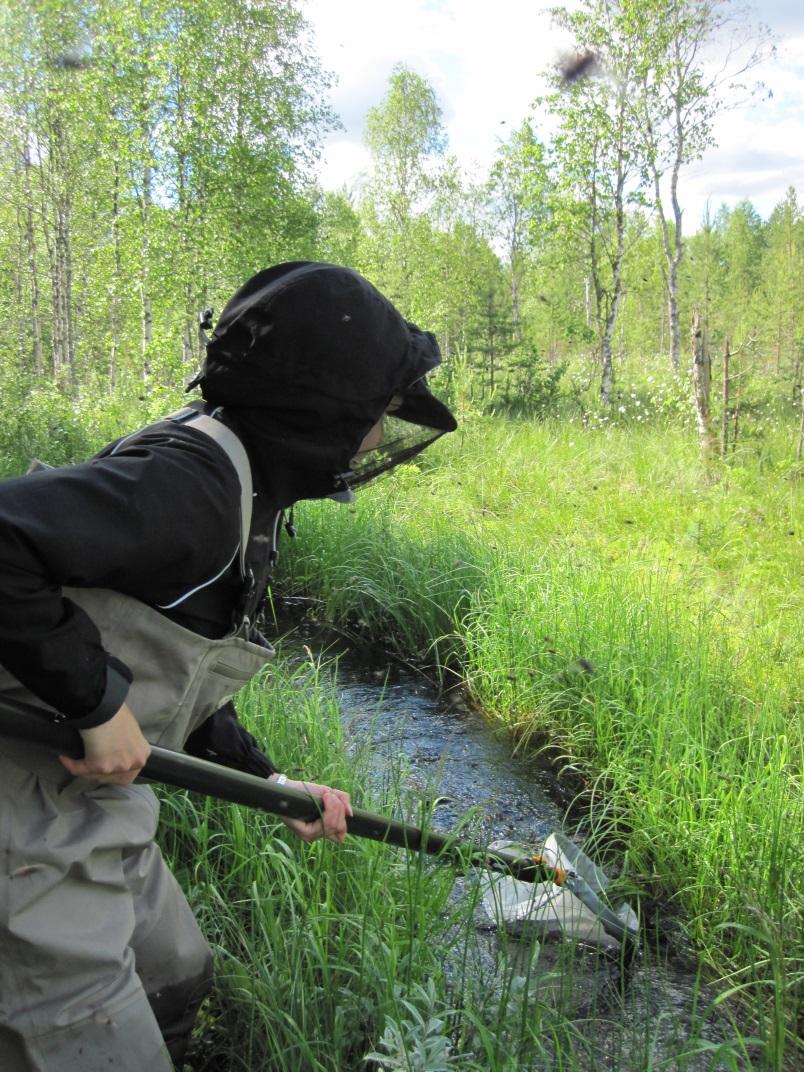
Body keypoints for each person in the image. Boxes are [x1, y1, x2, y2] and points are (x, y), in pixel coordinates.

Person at [0, 261, 457, 1071]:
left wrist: (268, 778)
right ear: (315, 408)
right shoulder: (193, 489)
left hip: (98, 800)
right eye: (375, 414)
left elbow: (167, 664)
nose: (381, 434)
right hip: (22, 817)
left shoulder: (246, 492)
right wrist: (96, 703)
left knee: (178, 976)